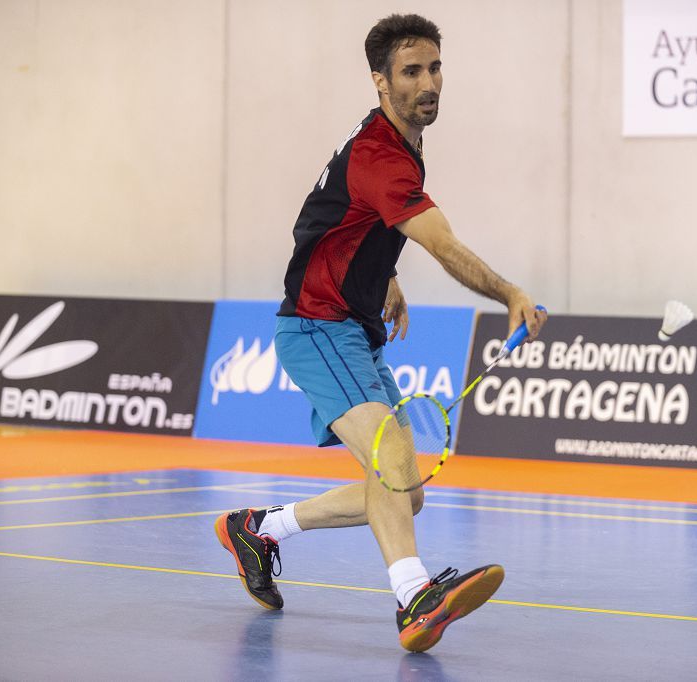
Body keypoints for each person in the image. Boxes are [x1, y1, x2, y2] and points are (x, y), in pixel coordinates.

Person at [214, 13, 547, 653]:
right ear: (380, 81)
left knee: (405, 491)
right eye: (411, 71)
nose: (429, 83)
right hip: (317, 328)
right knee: (390, 460)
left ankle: (259, 527)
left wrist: (384, 278)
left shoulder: (394, 146)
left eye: (435, 68)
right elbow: (443, 244)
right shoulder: (380, 157)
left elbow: (319, 222)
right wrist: (509, 291)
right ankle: (414, 598)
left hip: (353, 329)